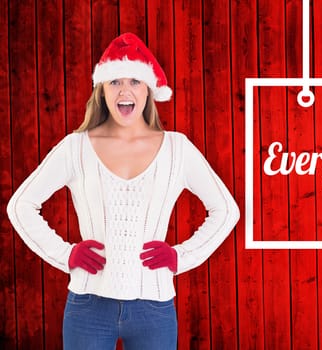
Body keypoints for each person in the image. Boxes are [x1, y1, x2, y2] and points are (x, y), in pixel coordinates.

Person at [6, 32, 240, 349]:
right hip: (88, 308)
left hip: (154, 310)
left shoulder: (177, 149)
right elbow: (20, 205)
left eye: (135, 81)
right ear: (102, 90)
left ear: (149, 90)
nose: (125, 90)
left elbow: (226, 210)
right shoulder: (76, 148)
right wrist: (66, 255)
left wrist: (179, 257)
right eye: (115, 81)